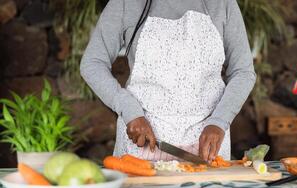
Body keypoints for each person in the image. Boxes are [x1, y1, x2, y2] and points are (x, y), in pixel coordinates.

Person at [80, 0, 256, 162]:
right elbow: (92, 63)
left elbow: (243, 72)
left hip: (207, 147)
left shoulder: (222, 3)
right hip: (143, 144)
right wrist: (129, 110)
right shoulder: (126, 3)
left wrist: (219, 122)